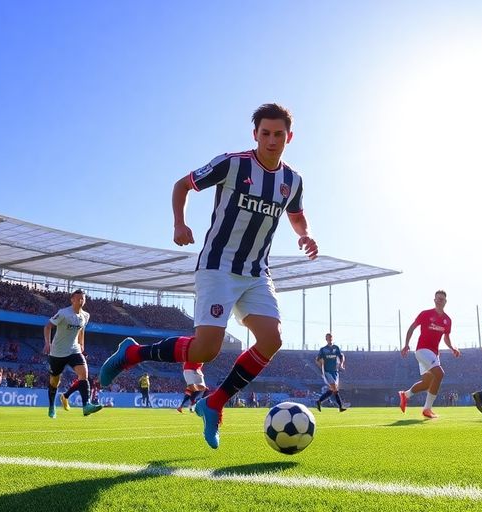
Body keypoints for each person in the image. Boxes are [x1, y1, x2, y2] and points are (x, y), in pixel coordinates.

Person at [99, 103, 318, 449]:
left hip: (257, 271)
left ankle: (213, 403)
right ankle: (132, 354)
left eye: (279, 134)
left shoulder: (292, 180)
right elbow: (181, 185)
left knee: (271, 338)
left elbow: (296, 215)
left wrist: (304, 234)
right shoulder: (232, 163)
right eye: (265, 133)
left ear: (289, 137)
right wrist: (179, 223)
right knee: (207, 350)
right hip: (218, 266)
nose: (272, 140)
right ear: (255, 134)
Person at [399, 291, 459, 419]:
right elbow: (412, 328)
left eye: (442, 299)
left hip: (434, 354)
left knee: (427, 383)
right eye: (437, 299)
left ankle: (405, 395)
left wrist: (452, 348)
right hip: (422, 351)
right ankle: (427, 409)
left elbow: (446, 337)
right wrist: (406, 344)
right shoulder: (425, 314)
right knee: (440, 374)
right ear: (434, 300)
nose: (439, 301)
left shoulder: (447, 320)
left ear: (445, 302)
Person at [43, 290, 102, 418]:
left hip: (74, 350)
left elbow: (81, 330)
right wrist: (48, 343)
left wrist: (82, 346)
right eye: (79, 298)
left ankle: (86, 405)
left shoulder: (85, 315)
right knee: (54, 381)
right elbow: (47, 327)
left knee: (84, 374)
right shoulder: (63, 313)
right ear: (72, 300)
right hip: (58, 352)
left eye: (83, 299)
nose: (81, 301)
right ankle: (52, 406)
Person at [315, 333, 346, 412]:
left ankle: (319, 401)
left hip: (335, 372)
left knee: (333, 390)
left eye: (331, 337)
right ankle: (340, 406)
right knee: (334, 389)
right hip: (327, 371)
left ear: (332, 338)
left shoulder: (336, 348)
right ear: (326, 339)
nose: (330, 339)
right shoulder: (323, 349)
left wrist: (341, 364)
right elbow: (317, 359)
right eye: (328, 338)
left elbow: (341, 356)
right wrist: (321, 368)